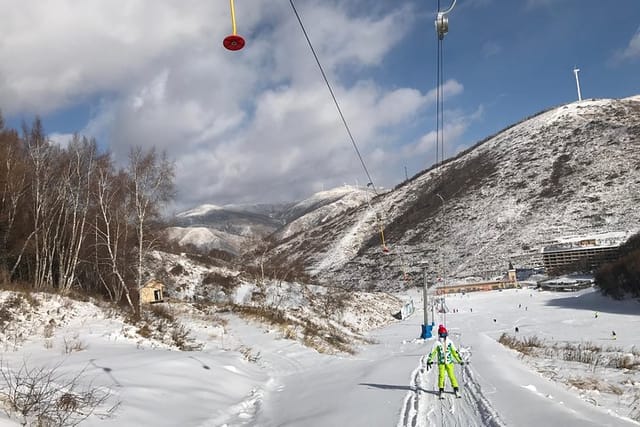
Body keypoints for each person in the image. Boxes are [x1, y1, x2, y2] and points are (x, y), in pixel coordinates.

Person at [427, 324, 464, 399]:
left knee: (451, 375)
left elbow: (454, 352)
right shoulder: (437, 344)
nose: (443, 337)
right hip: (441, 363)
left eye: (445, 335)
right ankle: (441, 389)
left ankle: (456, 388)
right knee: (441, 376)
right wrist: (429, 360)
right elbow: (432, 353)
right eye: (442, 335)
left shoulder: (449, 342)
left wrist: (459, 360)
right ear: (439, 335)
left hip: (449, 363)